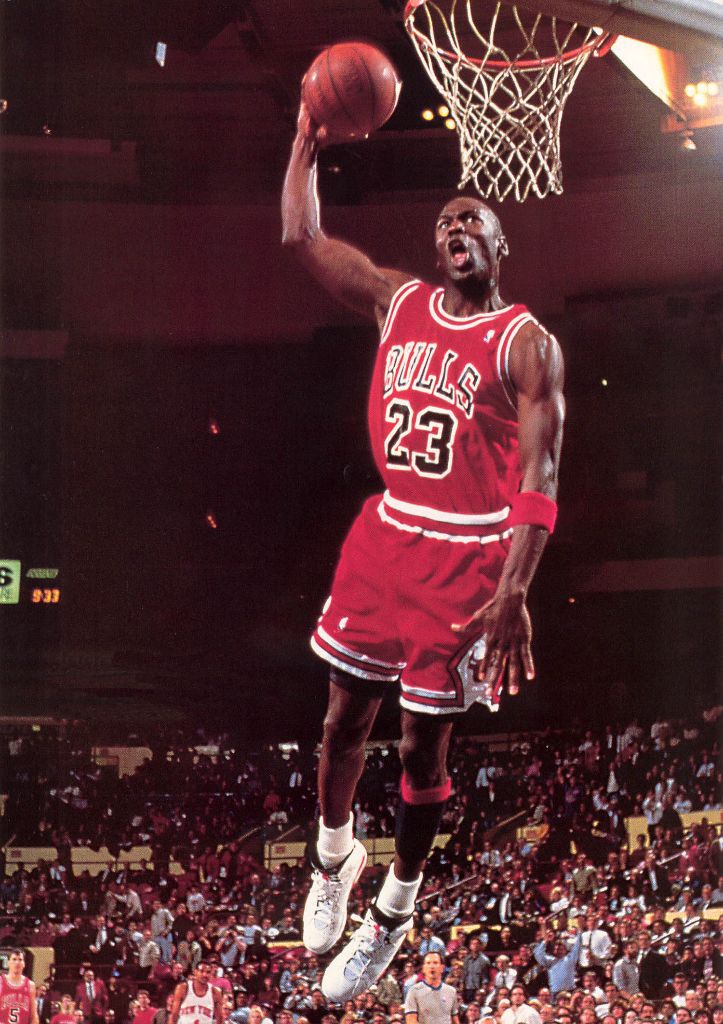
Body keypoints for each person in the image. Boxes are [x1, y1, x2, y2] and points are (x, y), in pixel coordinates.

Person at [282, 91, 564, 1003]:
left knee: (418, 752)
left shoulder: (525, 343)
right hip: (386, 531)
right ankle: (333, 860)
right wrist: (304, 141)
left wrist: (515, 588)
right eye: (445, 221)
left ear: (499, 245)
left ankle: (393, 914)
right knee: (339, 724)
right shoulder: (397, 301)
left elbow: (541, 474)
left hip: (469, 558)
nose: (455, 229)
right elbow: (302, 238)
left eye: (472, 220)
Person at [404, 953, 460, 1024]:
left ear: (442, 968)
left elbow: (454, 1019)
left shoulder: (451, 991)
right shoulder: (414, 991)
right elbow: (411, 1020)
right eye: (428, 963)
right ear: (423, 968)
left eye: (435, 963)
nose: (432, 966)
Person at [0, 950, 40, 1024]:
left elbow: (34, 1016)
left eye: (20, 960)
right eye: (14, 959)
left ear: (24, 964)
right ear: (8, 963)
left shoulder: (30, 985)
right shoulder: (1, 982)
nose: (17, 962)